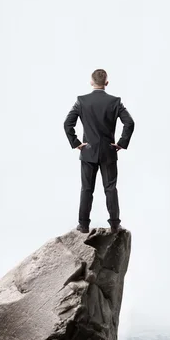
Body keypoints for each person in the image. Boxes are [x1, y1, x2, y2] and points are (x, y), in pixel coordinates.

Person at [64, 69, 135, 233]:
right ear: (106, 83)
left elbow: (67, 124)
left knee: (86, 189)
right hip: (108, 152)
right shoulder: (115, 102)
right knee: (110, 189)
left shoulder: (81, 101)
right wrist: (121, 143)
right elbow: (129, 123)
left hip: (88, 152)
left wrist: (76, 143)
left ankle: (83, 225)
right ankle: (115, 224)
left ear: (91, 82)